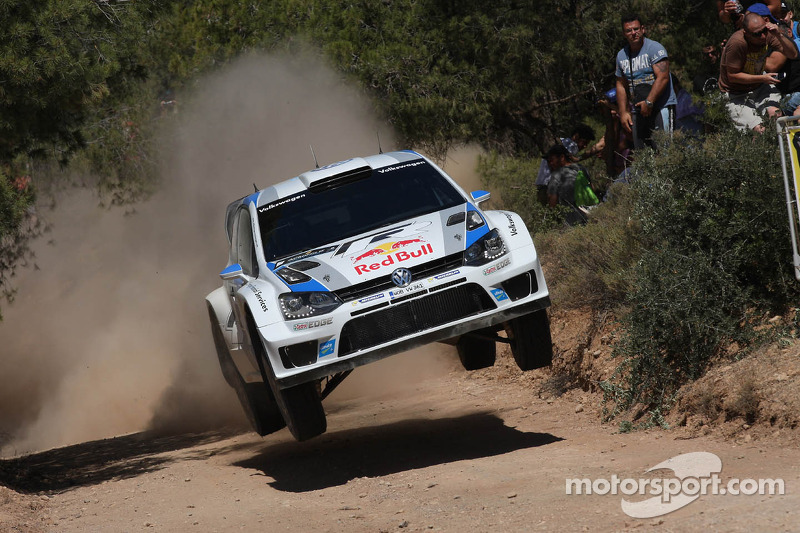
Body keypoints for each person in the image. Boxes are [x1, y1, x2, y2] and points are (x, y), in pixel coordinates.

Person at [718, 11, 799, 131]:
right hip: (736, 93)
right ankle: (762, 147)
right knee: (759, 129)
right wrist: (762, 78)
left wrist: (779, 35)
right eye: (757, 34)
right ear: (746, 33)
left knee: (775, 115)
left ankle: (782, 147)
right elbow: (732, 76)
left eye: (764, 31)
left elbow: (793, 54)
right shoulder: (737, 43)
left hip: (760, 87)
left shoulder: (769, 34)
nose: (763, 36)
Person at [615, 13, 677, 149]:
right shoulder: (621, 55)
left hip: (661, 106)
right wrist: (623, 112)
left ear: (643, 29)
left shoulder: (654, 48)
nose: (633, 33)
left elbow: (663, 77)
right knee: (643, 154)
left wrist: (649, 102)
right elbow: (620, 84)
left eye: (636, 29)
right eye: (629, 30)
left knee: (665, 151)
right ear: (624, 33)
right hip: (638, 110)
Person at [534, 124, 595, 204]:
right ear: (576, 137)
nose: (585, 146)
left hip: (543, 184)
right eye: (584, 142)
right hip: (549, 186)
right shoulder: (571, 147)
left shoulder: (562, 142)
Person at [545, 144, 594, 226]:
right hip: (591, 213)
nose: (550, 163)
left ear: (562, 157)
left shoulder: (556, 176)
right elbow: (592, 188)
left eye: (552, 160)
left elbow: (552, 203)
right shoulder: (581, 168)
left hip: (573, 221)